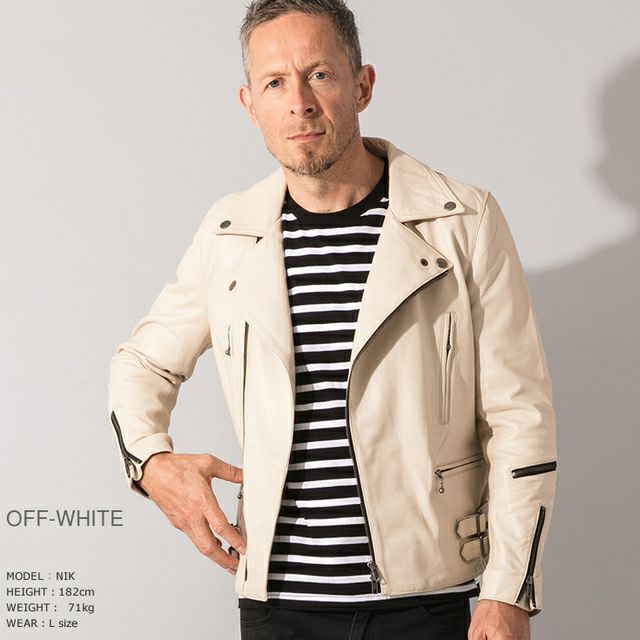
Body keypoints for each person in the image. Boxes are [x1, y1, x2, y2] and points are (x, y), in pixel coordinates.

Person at [108, 1, 558, 638]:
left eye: (318, 74)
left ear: (362, 85)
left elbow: (520, 418)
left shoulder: (462, 221)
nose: (298, 103)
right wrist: (152, 465)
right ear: (250, 105)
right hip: (277, 607)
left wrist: (509, 590)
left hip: (425, 602)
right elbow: (142, 364)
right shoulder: (229, 234)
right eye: (274, 83)